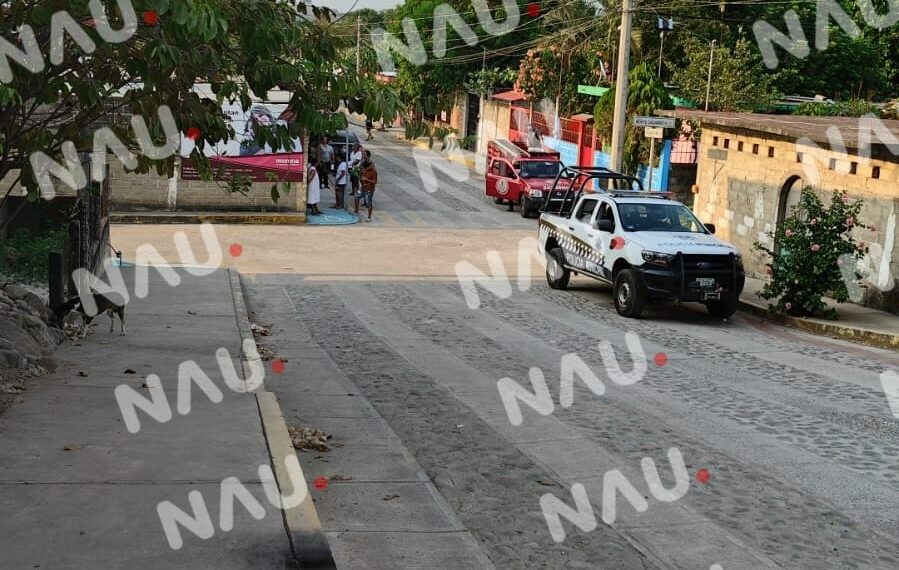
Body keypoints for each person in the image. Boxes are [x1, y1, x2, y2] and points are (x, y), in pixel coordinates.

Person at [357, 150, 378, 222]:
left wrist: (366, 179)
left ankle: (369, 217)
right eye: (363, 154)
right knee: (356, 197)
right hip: (363, 186)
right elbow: (359, 171)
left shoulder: (372, 169)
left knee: (369, 201)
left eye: (365, 155)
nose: (363, 156)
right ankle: (355, 211)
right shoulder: (363, 164)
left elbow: (375, 181)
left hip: (369, 188)